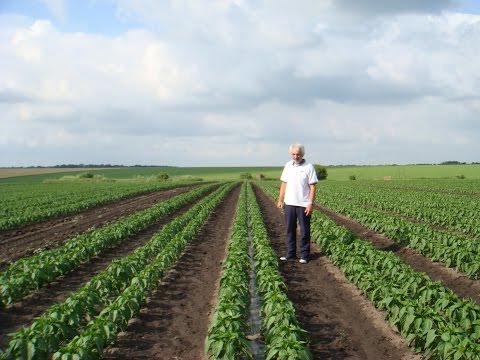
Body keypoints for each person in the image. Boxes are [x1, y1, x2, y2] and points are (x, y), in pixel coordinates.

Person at [277, 143, 318, 264]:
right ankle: (290, 254)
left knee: (304, 230)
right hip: (289, 203)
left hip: (303, 204)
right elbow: (284, 183)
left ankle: (305, 255)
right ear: (291, 154)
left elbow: (313, 186)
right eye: (294, 154)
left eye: (298, 154)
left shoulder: (309, 167)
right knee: (290, 229)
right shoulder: (288, 166)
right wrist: (280, 199)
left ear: (302, 154)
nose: (296, 156)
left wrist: (310, 203)